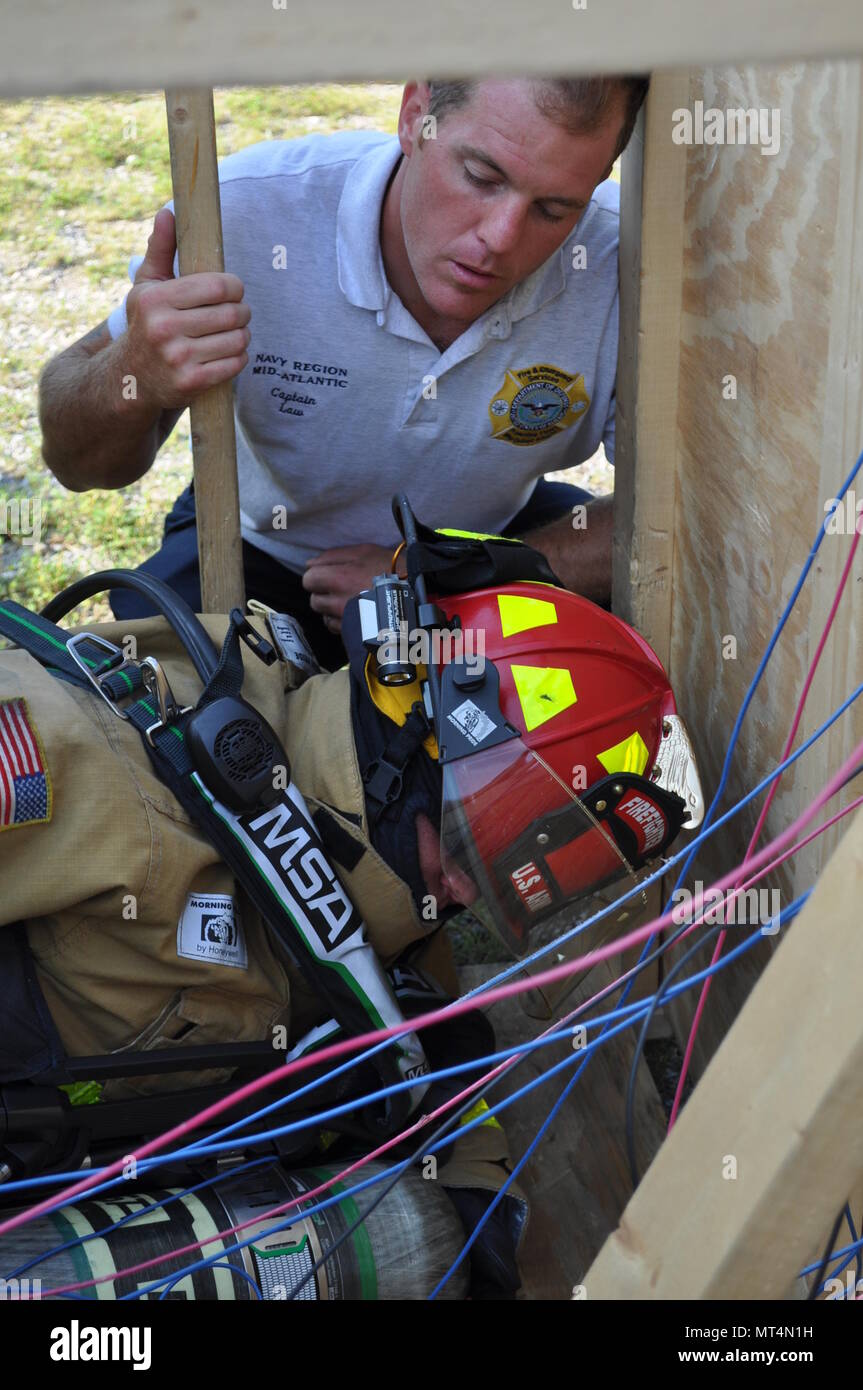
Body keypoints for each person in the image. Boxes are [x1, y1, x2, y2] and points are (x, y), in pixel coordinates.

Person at [37, 76, 649, 667]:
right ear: (415, 114)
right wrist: (134, 374)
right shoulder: (245, 214)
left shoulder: (635, 265)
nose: (499, 237)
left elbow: (661, 520)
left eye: (554, 208)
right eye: (481, 177)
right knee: (166, 700)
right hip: (259, 544)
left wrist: (433, 574)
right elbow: (77, 463)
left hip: (488, 546)